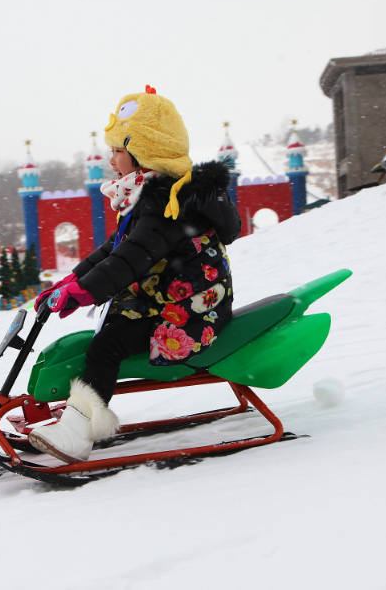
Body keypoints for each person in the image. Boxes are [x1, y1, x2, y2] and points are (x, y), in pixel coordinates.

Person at [28, 86, 241, 463]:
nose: (112, 161)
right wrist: (73, 281)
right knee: (105, 334)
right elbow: (115, 247)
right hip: (164, 299)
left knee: (107, 345)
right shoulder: (151, 193)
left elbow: (134, 256)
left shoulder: (168, 202)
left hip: (190, 313)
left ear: (144, 154)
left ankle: (78, 435)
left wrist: (85, 292)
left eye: (118, 151)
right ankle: (75, 417)